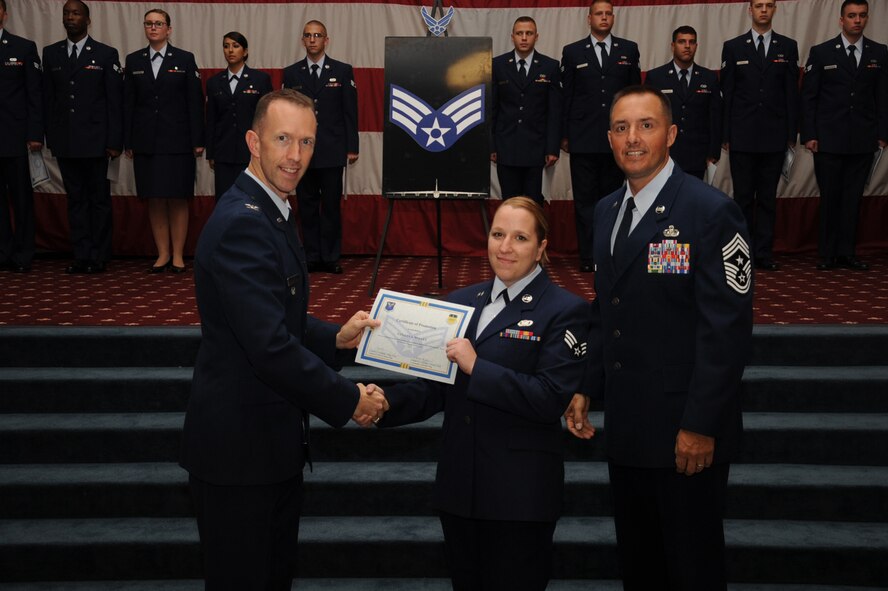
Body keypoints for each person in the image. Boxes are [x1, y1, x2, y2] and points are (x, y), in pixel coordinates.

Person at [180, 89, 387, 591]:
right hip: (240, 457)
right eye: (283, 139)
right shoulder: (242, 225)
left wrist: (336, 337)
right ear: (254, 141)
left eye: (307, 142)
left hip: (266, 448)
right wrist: (350, 400)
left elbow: (279, 316)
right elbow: (269, 348)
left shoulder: (270, 208)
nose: (296, 156)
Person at [565, 86, 753, 590]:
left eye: (646, 125)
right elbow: (608, 310)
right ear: (608, 139)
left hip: (684, 434)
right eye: (622, 128)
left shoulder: (710, 212)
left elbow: (727, 333)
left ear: (670, 134)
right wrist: (586, 386)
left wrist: (701, 425)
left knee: (691, 568)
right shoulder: (606, 211)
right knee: (641, 565)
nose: (633, 138)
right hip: (628, 428)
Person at [370, 197, 590, 591]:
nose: (505, 247)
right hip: (460, 487)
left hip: (520, 496)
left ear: (542, 247)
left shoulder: (565, 310)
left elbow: (548, 398)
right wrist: (384, 403)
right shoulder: (459, 303)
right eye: (498, 234)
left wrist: (477, 366)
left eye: (520, 237)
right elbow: (435, 389)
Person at [801, 0, 886, 271]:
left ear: (867, 18)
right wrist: (810, 135)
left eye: (861, 16)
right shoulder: (822, 52)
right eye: (851, 16)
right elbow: (809, 97)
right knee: (830, 198)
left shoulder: (879, 52)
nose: (857, 20)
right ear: (841, 20)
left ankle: (847, 252)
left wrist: (882, 134)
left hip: (863, 140)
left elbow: (883, 98)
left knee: (853, 199)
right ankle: (827, 254)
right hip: (828, 140)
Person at [43, 0, 122, 274]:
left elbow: (114, 101)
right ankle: (81, 254)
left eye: (75, 13)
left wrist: (114, 141)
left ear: (88, 20)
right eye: (66, 14)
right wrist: (50, 137)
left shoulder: (105, 54)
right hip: (65, 142)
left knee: (98, 200)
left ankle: (100, 255)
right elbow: (49, 99)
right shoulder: (51, 54)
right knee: (75, 200)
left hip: (97, 141)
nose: (70, 18)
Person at [560, 0, 640, 272]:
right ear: (589, 18)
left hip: (618, 140)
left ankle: (609, 253)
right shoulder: (572, 52)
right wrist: (564, 135)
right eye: (599, 14)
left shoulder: (628, 50)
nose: (603, 18)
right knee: (585, 202)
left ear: (613, 18)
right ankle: (588, 257)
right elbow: (566, 97)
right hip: (582, 139)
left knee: (615, 200)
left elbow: (634, 97)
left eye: (608, 14)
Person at [123, 8, 204, 273]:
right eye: (149, 23)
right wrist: (128, 140)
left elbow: (194, 103)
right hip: (146, 141)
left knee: (178, 197)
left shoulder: (184, 59)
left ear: (169, 29)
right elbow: (129, 105)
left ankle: (178, 256)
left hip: (178, 141)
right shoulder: (133, 60)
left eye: (159, 23)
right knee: (155, 197)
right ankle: (163, 254)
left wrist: (197, 140)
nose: (153, 27)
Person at [720, 0, 799, 271]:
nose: (763, 10)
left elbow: (791, 93)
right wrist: (725, 134)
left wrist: (791, 134)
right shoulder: (733, 47)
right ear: (750, 10)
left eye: (768, 5)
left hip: (774, 137)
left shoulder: (787, 47)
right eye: (758, 5)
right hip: (741, 136)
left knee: (767, 198)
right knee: (742, 198)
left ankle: (764, 253)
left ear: (774, 10)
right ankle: (741, 254)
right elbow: (727, 94)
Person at [282, 20, 358, 275]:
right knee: (306, 205)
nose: (312, 39)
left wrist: (352, 147)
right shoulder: (291, 73)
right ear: (302, 40)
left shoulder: (342, 70)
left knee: (331, 206)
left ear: (326, 40)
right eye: (308, 35)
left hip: (332, 149)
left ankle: (331, 256)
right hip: (301, 151)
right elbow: (286, 114)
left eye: (317, 35)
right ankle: (312, 256)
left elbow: (350, 111)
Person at [490, 17, 561, 204]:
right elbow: (492, 108)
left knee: (533, 204)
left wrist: (552, 148)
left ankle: (533, 235)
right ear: (512, 37)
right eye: (519, 33)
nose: (524, 38)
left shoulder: (550, 66)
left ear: (536, 37)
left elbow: (554, 112)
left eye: (528, 33)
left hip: (536, 149)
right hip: (506, 147)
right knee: (510, 203)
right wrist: (492, 145)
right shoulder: (497, 65)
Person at [644, 26, 721, 179]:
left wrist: (713, 152)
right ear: (673, 46)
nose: (687, 46)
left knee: (693, 201)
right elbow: (648, 117)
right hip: (664, 153)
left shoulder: (708, 77)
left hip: (697, 155)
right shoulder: (656, 77)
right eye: (682, 42)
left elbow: (715, 116)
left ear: (696, 46)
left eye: (691, 42)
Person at [0, 0, 42, 273]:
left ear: (4, 13)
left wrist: (35, 133)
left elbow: (34, 95)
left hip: (14, 135)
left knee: (21, 198)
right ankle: (2, 252)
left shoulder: (22, 47)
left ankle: (24, 252)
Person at [205, 31, 272, 200]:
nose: (230, 50)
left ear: (245, 51)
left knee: (253, 201)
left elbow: (268, 118)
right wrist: (211, 153)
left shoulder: (260, 80)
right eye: (226, 46)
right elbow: (211, 119)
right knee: (226, 201)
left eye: (235, 46)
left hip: (252, 153)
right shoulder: (214, 82)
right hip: (223, 153)